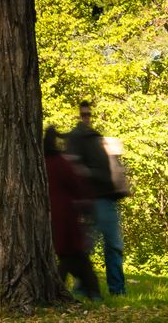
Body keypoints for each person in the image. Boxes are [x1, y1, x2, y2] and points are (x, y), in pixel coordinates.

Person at [68, 100, 128, 296]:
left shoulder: (94, 137)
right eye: (83, 113)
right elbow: (74, 168)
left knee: (110, 246)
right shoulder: (77, 137)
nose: (86, 116)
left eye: (88, 113)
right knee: (88, 247)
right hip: (93, 199)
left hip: (105, 198)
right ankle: (83, 288)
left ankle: (115, 290)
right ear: (79, 115)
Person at [45, 125, 102, 301]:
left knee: (70, 256)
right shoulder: (61, 163)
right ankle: (89, 293)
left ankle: (90, 292)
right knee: (74, 256)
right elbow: (77, 186)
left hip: (51, 216)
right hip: (66, 216)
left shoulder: (42, 163)